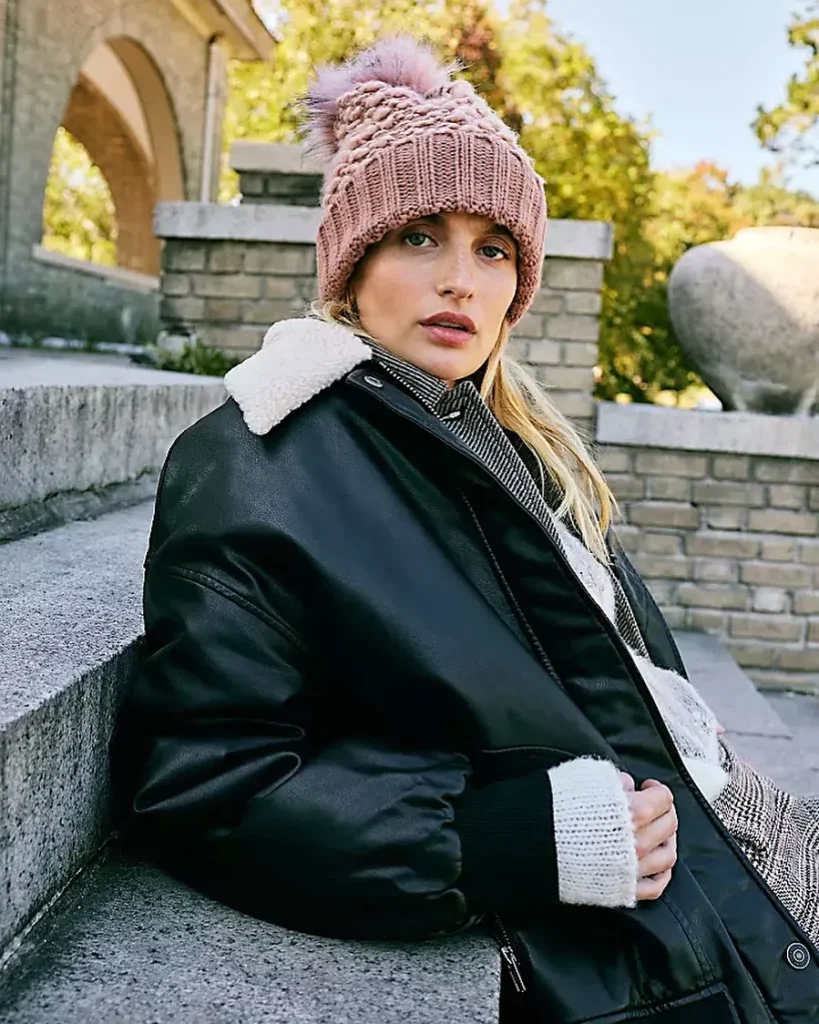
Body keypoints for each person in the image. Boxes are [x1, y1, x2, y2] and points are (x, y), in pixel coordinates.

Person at [111, 35, 818, 1023]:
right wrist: (502, 838)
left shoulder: (512, 442)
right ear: (353, 261)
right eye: (419, 237)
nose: (461, 281)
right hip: (637, 958)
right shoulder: (259, 459)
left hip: (732, 846)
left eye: (493, 249)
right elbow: (205, 781)